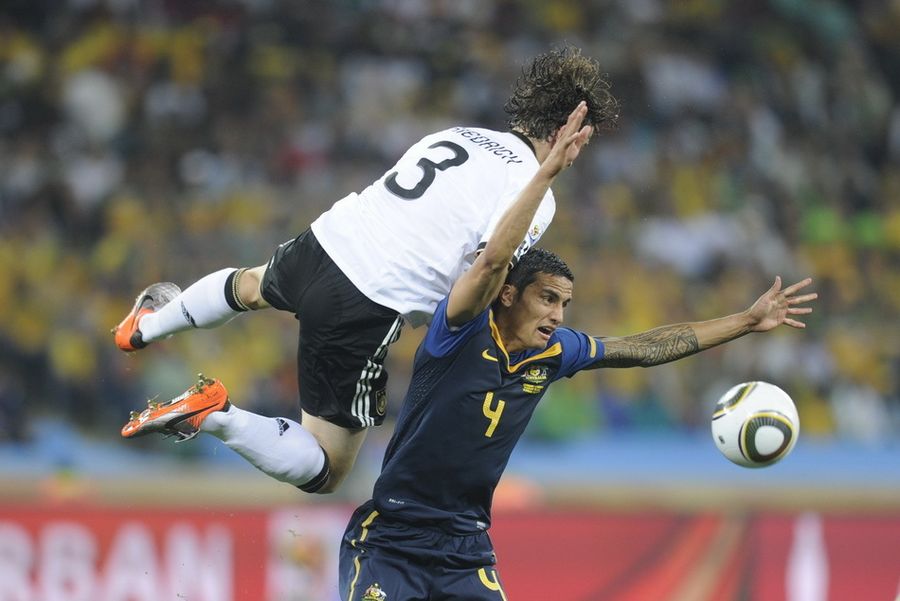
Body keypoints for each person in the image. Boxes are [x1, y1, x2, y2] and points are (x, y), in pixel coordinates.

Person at [116, 46, 619, 494]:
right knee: (328, 467)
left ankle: (146, 326)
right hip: (367, 302)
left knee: (249, 285)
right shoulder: (535, 192)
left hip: (327, 240)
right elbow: (488, 265)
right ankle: (216, 415)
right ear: (566, 132)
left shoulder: (462, 135)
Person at [336, 132, 818, 598]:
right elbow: (489, 263)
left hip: (465, 549)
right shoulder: (458, 331)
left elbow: (644, 347)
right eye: (547, 298)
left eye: (564, 303)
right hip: (391, 539)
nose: (558, 315)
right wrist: (544, 175)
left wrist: (744, 321)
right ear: (508, 295)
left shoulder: (556, 351)